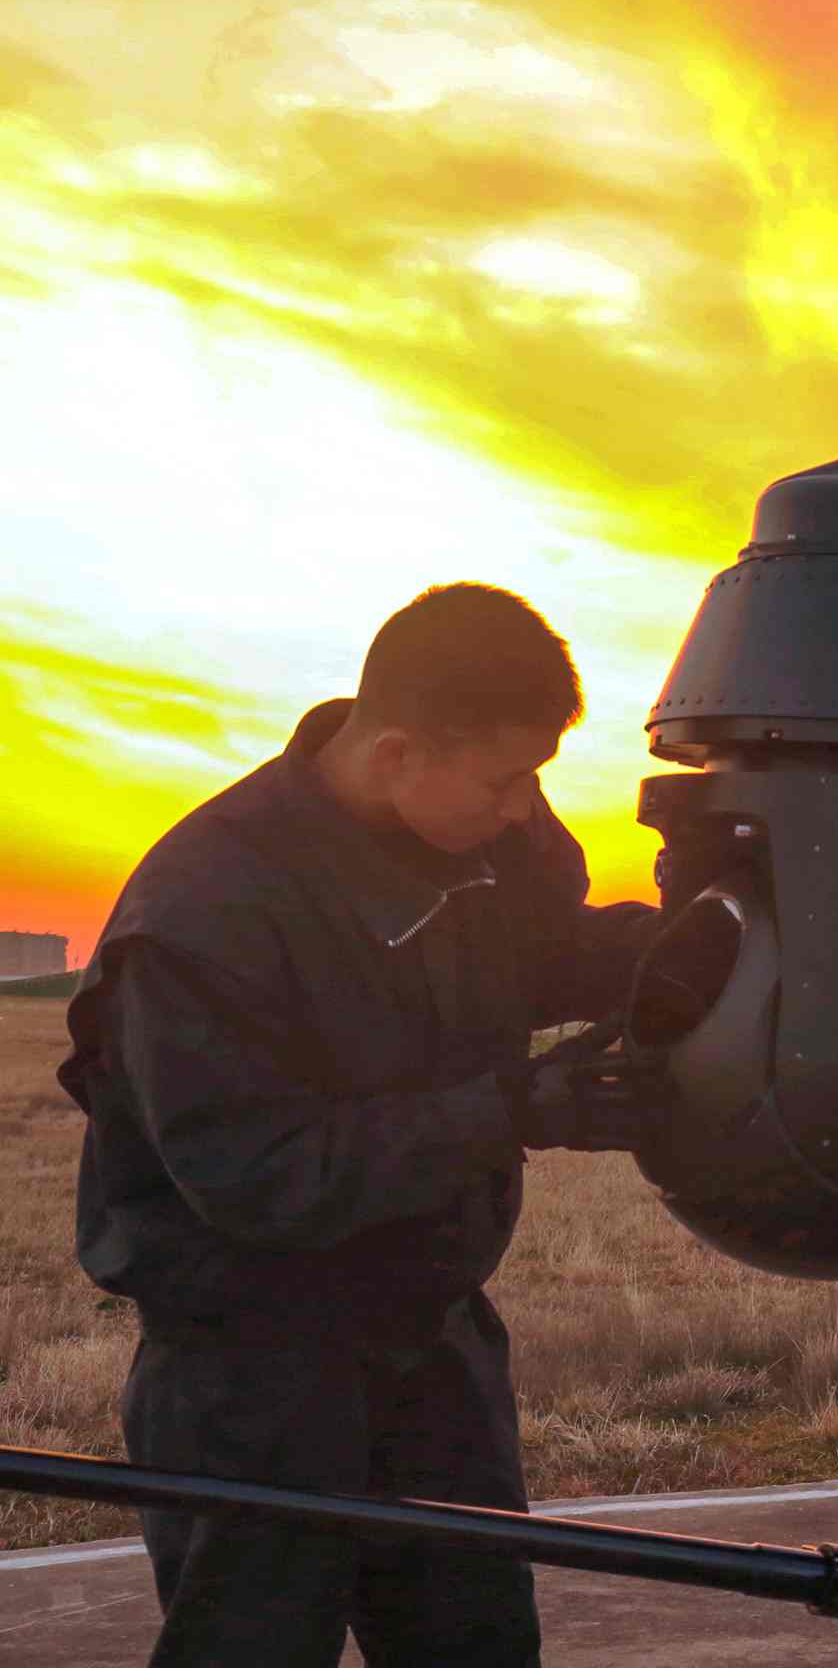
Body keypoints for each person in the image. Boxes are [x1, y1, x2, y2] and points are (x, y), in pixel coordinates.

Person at [58, 584, 667, 1667]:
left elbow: (539, 954)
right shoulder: (205, 908)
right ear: (395, 752)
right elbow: (261, 1177)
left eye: (538, 773)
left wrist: (676, 953)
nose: (528, 805)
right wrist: (515, 1108)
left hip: (432, 1335)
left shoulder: (491, 835)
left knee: (475, 1645)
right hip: (250, 1368)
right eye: (505, 777)